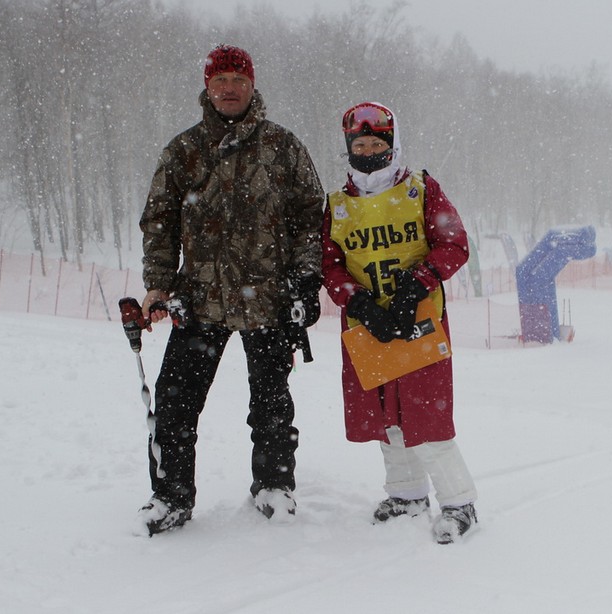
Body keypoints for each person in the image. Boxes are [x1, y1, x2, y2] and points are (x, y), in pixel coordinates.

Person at [135, 44, 324, 536]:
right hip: (200, 300)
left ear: (252, 85)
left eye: (237, 79)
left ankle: (274, 486)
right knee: (174, 401)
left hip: (269, 301)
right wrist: (158, 285)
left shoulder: (283, 147)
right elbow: (160, 222)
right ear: (207, 86)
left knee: (272, 402)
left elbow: (310, 219)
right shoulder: (184, 150)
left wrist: (305, 280)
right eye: (220, 79)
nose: (228, 88)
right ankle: (171, 497)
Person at [320, 102, 478, 544]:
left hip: (417, 318)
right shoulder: (338, 205)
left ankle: (458, 501)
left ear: (392, 146)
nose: (368, 151)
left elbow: (454, 244)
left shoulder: (420, 190)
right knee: (385, 416)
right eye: (360, 144)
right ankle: (407, 495)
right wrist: (358, 301)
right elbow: (329, 268)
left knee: (426, 417)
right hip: (367, 323)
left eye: (377, 143)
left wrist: (416, 285)